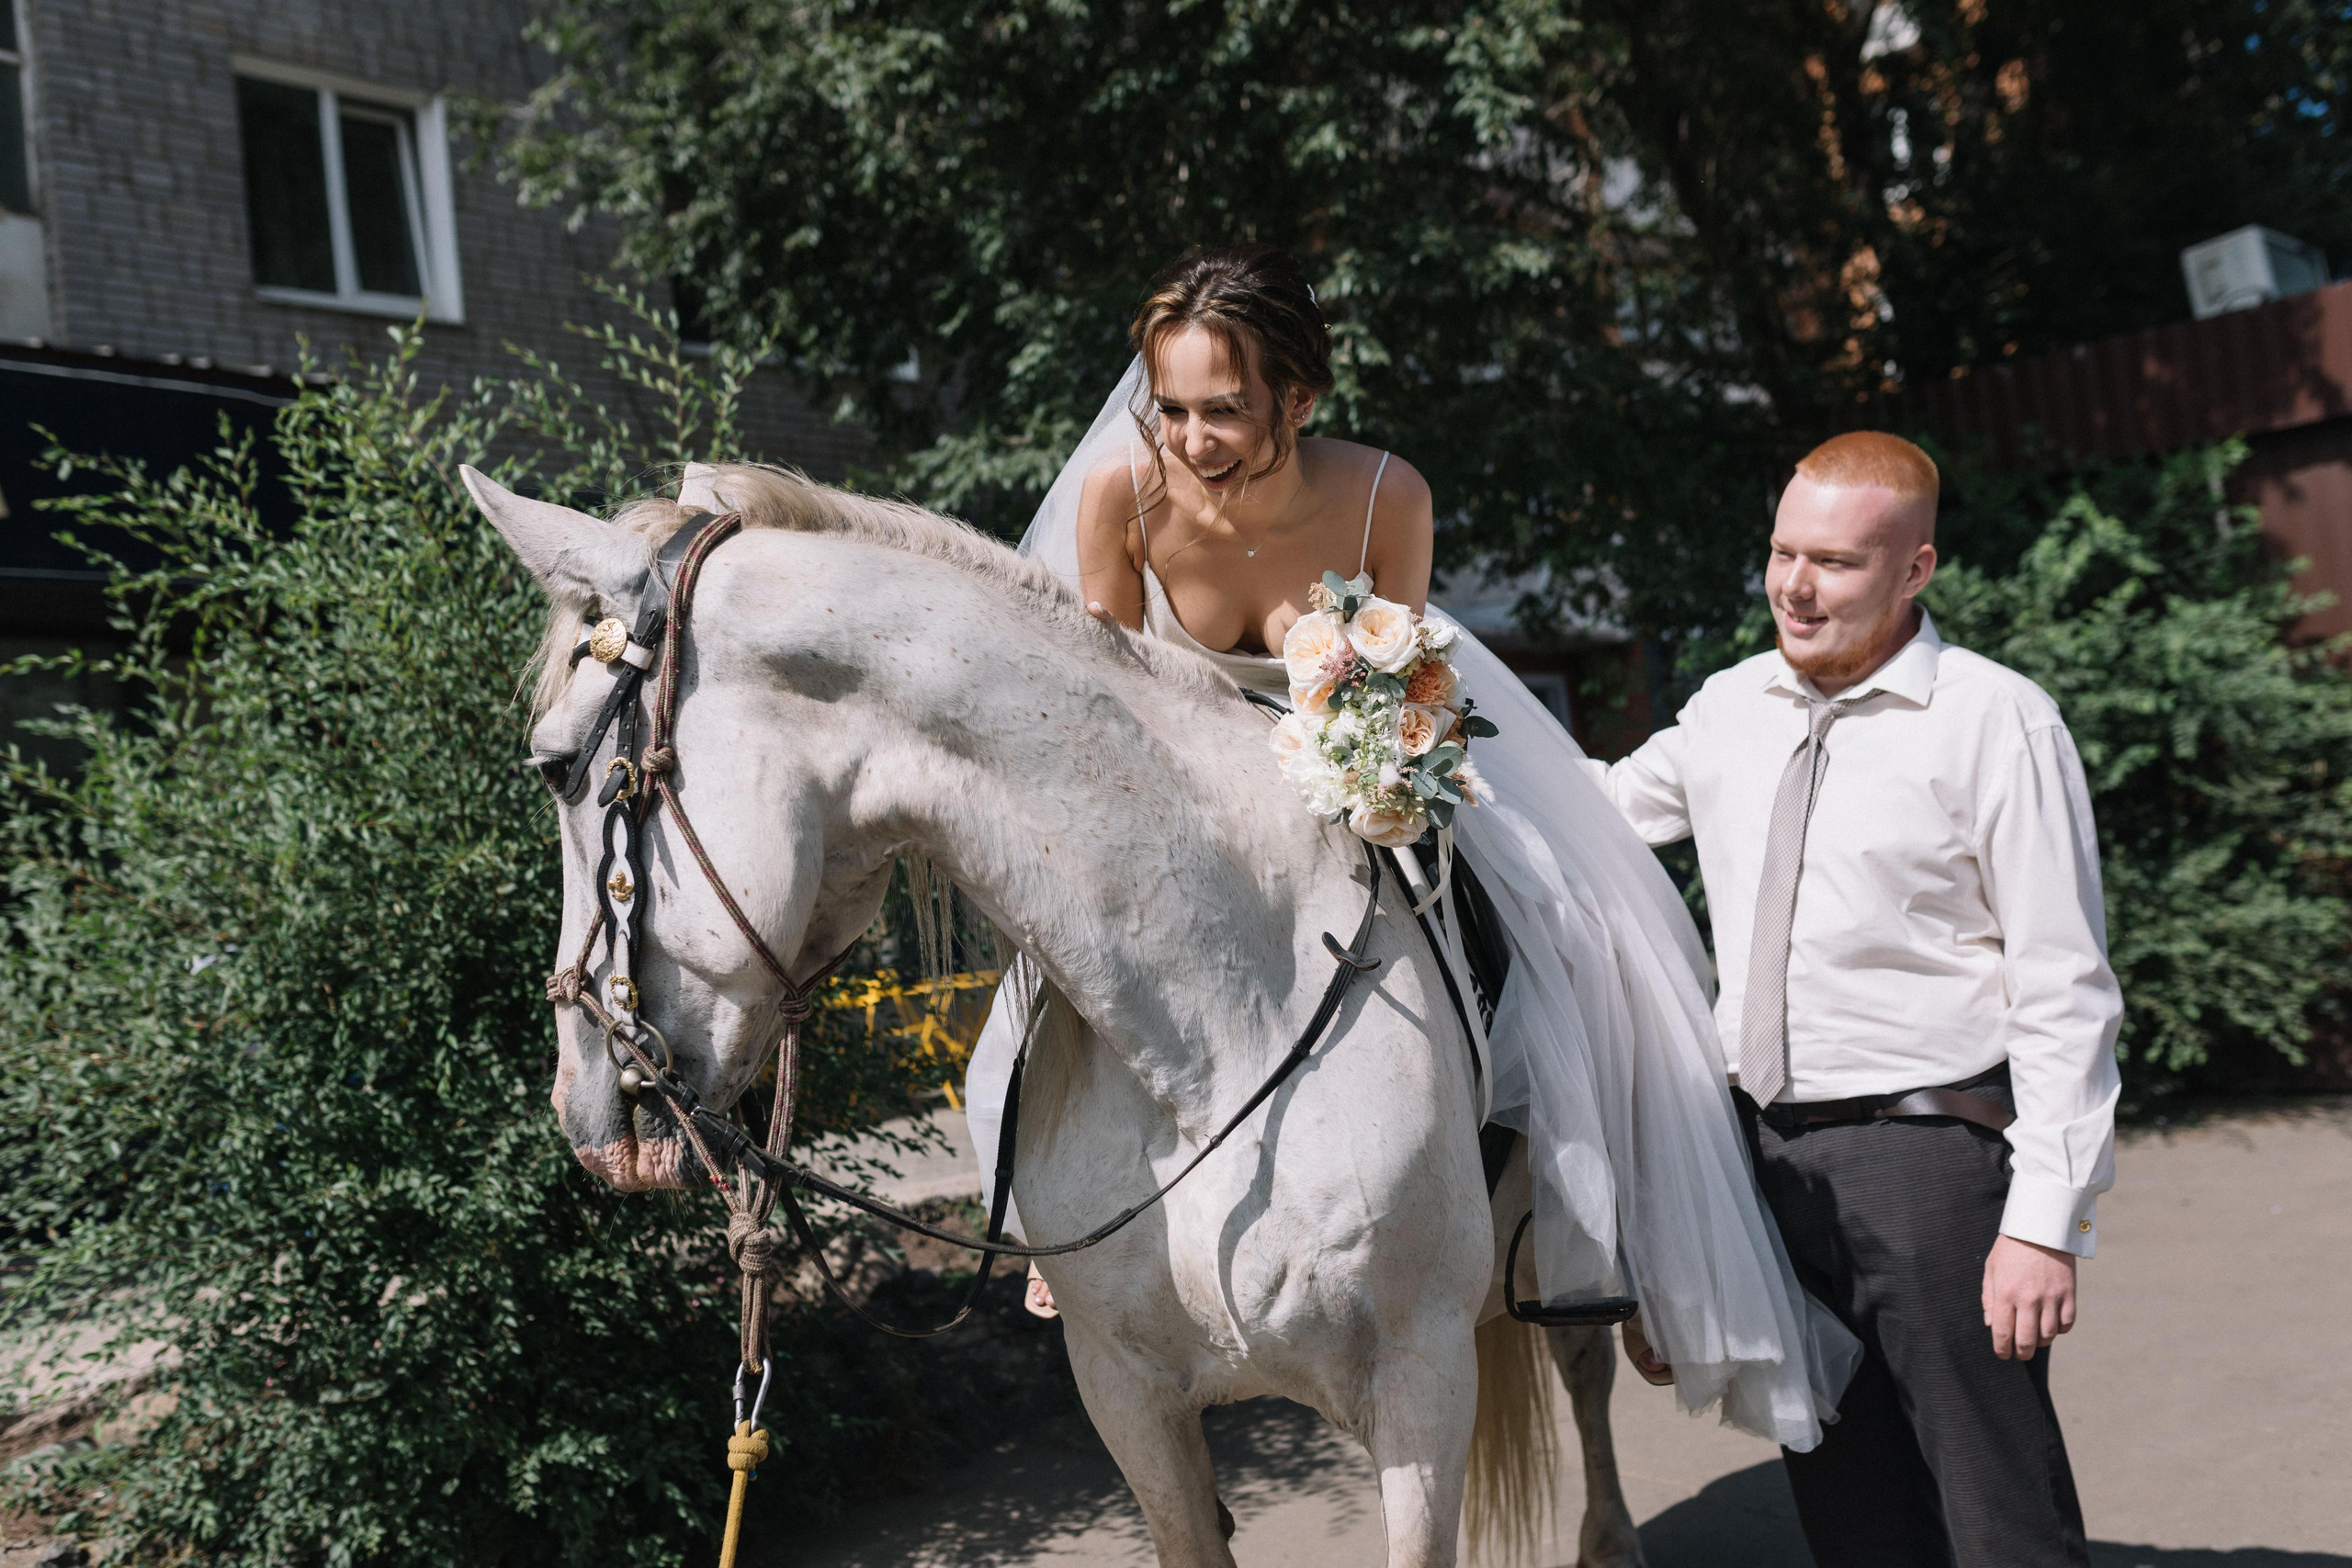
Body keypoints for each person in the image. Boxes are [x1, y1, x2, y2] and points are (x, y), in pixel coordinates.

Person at [966, 242, 1860, 1450]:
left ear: (1298, 399)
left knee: (1574, 938)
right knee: (1036, 982)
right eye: (1167, 406)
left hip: (1366, 771)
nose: (1189, 437)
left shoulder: (1388, 492)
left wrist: (1377, 765)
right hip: (1187, 800)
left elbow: (1410, 681)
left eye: (1223, 409)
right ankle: (1058, 1222)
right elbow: (1111, 711)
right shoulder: (1120, 497)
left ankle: (1589, 1229)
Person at [1584, 431, 2121, 1567]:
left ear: (1915, 569)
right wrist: (1402, 745)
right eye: (1782, 552)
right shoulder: (1730, 707)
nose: (1793, 585)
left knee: (2000, 1513)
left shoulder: (1996, 721)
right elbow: (1590, 817)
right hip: (1764, 1167)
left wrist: (2044, 1222)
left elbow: (2065, 983)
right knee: (1848, 1511)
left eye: (1832, 562)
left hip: (1931, 1164)